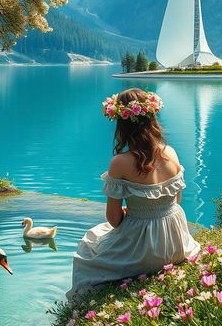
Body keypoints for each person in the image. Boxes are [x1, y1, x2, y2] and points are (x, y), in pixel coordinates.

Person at [67, 88, 200, 298]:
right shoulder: (171, 152)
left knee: (88, 248)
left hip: (144, 249)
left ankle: (81, 303)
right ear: (152, 118)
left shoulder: (120, 163)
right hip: (175, 240)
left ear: (123, 125)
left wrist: (136, 211)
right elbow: (178, 200)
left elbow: (113, 219)